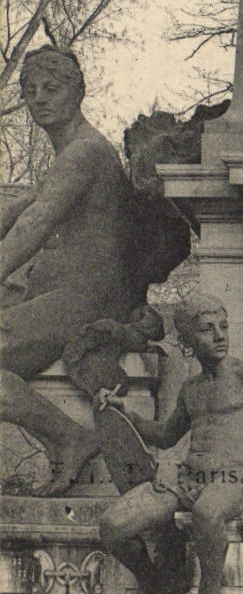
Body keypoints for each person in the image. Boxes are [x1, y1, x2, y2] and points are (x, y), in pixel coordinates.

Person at [97, 295, 243, 594]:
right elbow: (166, 436)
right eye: (207, 329)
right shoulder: (191, 388)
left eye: (224, 326)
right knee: (113, 525)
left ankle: (209, 593)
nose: (220, 336)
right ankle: (153, 585)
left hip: (230, 480)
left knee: (207, 513)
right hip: (185, 480)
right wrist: (127, 413)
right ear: (187, 338)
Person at [0, 47, 138, 493]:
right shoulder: (71, 155)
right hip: (76, 291)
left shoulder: (84, 153)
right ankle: (69, 438)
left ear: (77, 92)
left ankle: (71, 438)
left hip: (89, 295)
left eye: (51, 89)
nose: (38, 99)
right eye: (30, 90)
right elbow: (19, 212)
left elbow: (34, 227)